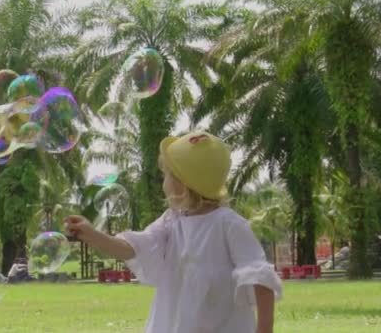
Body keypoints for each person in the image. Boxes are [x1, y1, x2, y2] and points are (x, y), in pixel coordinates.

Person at [65, 132, 282, 333]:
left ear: (184, 184)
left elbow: (259, 277)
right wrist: (93, 235)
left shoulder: (229, 224)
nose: (163, 182)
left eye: (166, 175)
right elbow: (133, 247)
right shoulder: (172, 220)